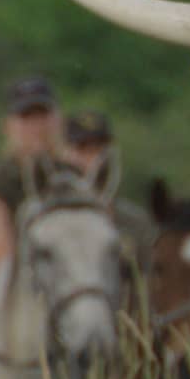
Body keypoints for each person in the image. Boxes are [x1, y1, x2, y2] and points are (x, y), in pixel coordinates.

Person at [0, 75, 62, 275]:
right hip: (10, 295)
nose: (37, 127)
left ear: (57, 121)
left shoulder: (71, 177)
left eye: (42, 116)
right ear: (7, 126)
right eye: (26, 118)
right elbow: (4, 268)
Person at [59, 109, 156, 273]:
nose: (93, 159)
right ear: (66, 154)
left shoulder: (136, 223)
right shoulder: (52, 219)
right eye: (83, 149)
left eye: (98, 148)